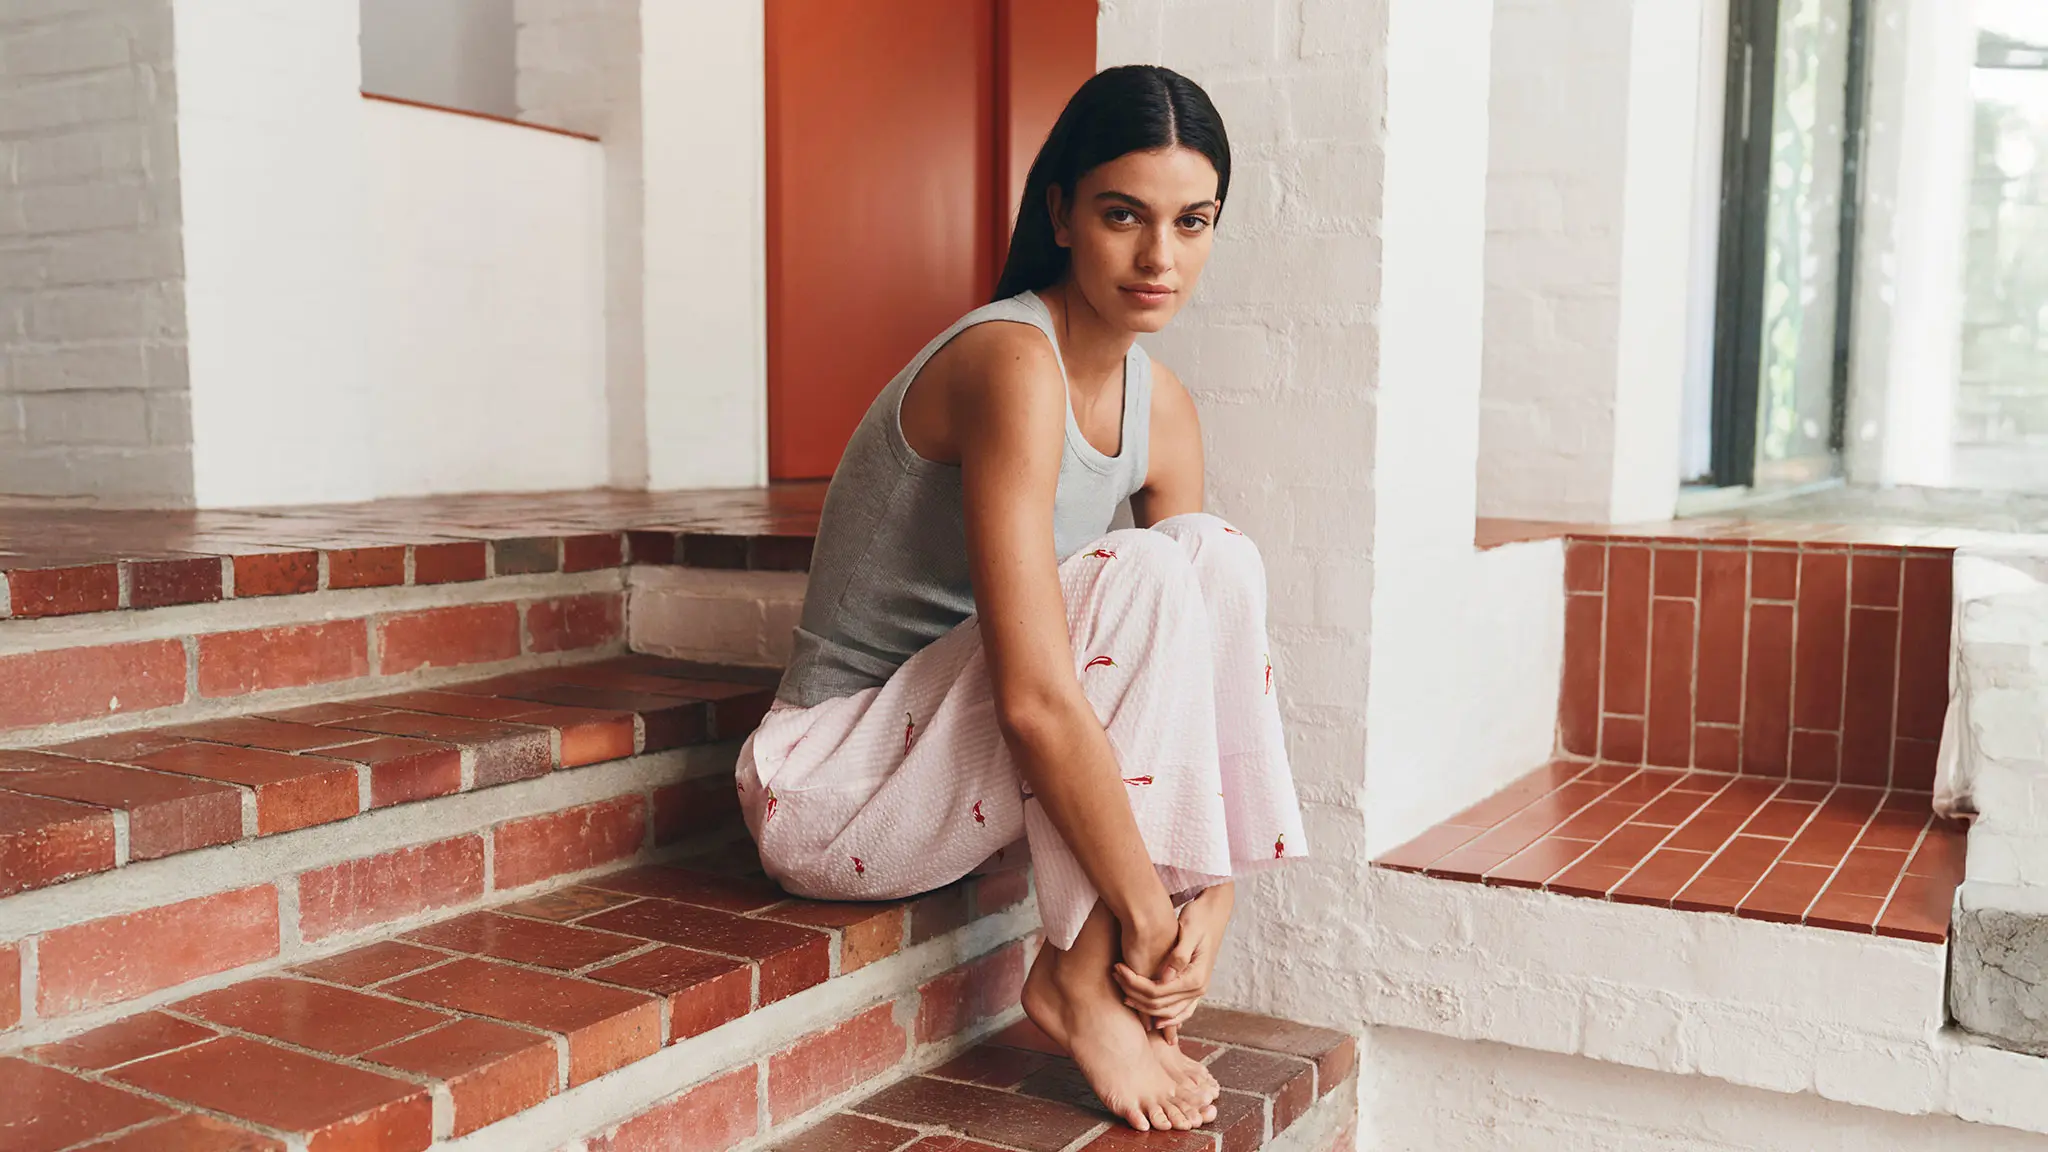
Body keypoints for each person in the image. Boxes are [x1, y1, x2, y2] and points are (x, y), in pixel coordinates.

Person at [735, 63, 1305, 1134]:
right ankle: (1078, 980)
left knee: (1212, 556)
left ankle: (1110, 961)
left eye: (1192, 222)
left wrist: (1210, 894)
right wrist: (1143, 915)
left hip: (952, 777)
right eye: (1123, 215)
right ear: (1059, 214)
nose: (1160, 257)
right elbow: (1036, 700)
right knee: (1140, 572)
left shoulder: (1164, 410)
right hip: (826, 786)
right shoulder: (1010, 360)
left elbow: (1190, 674)